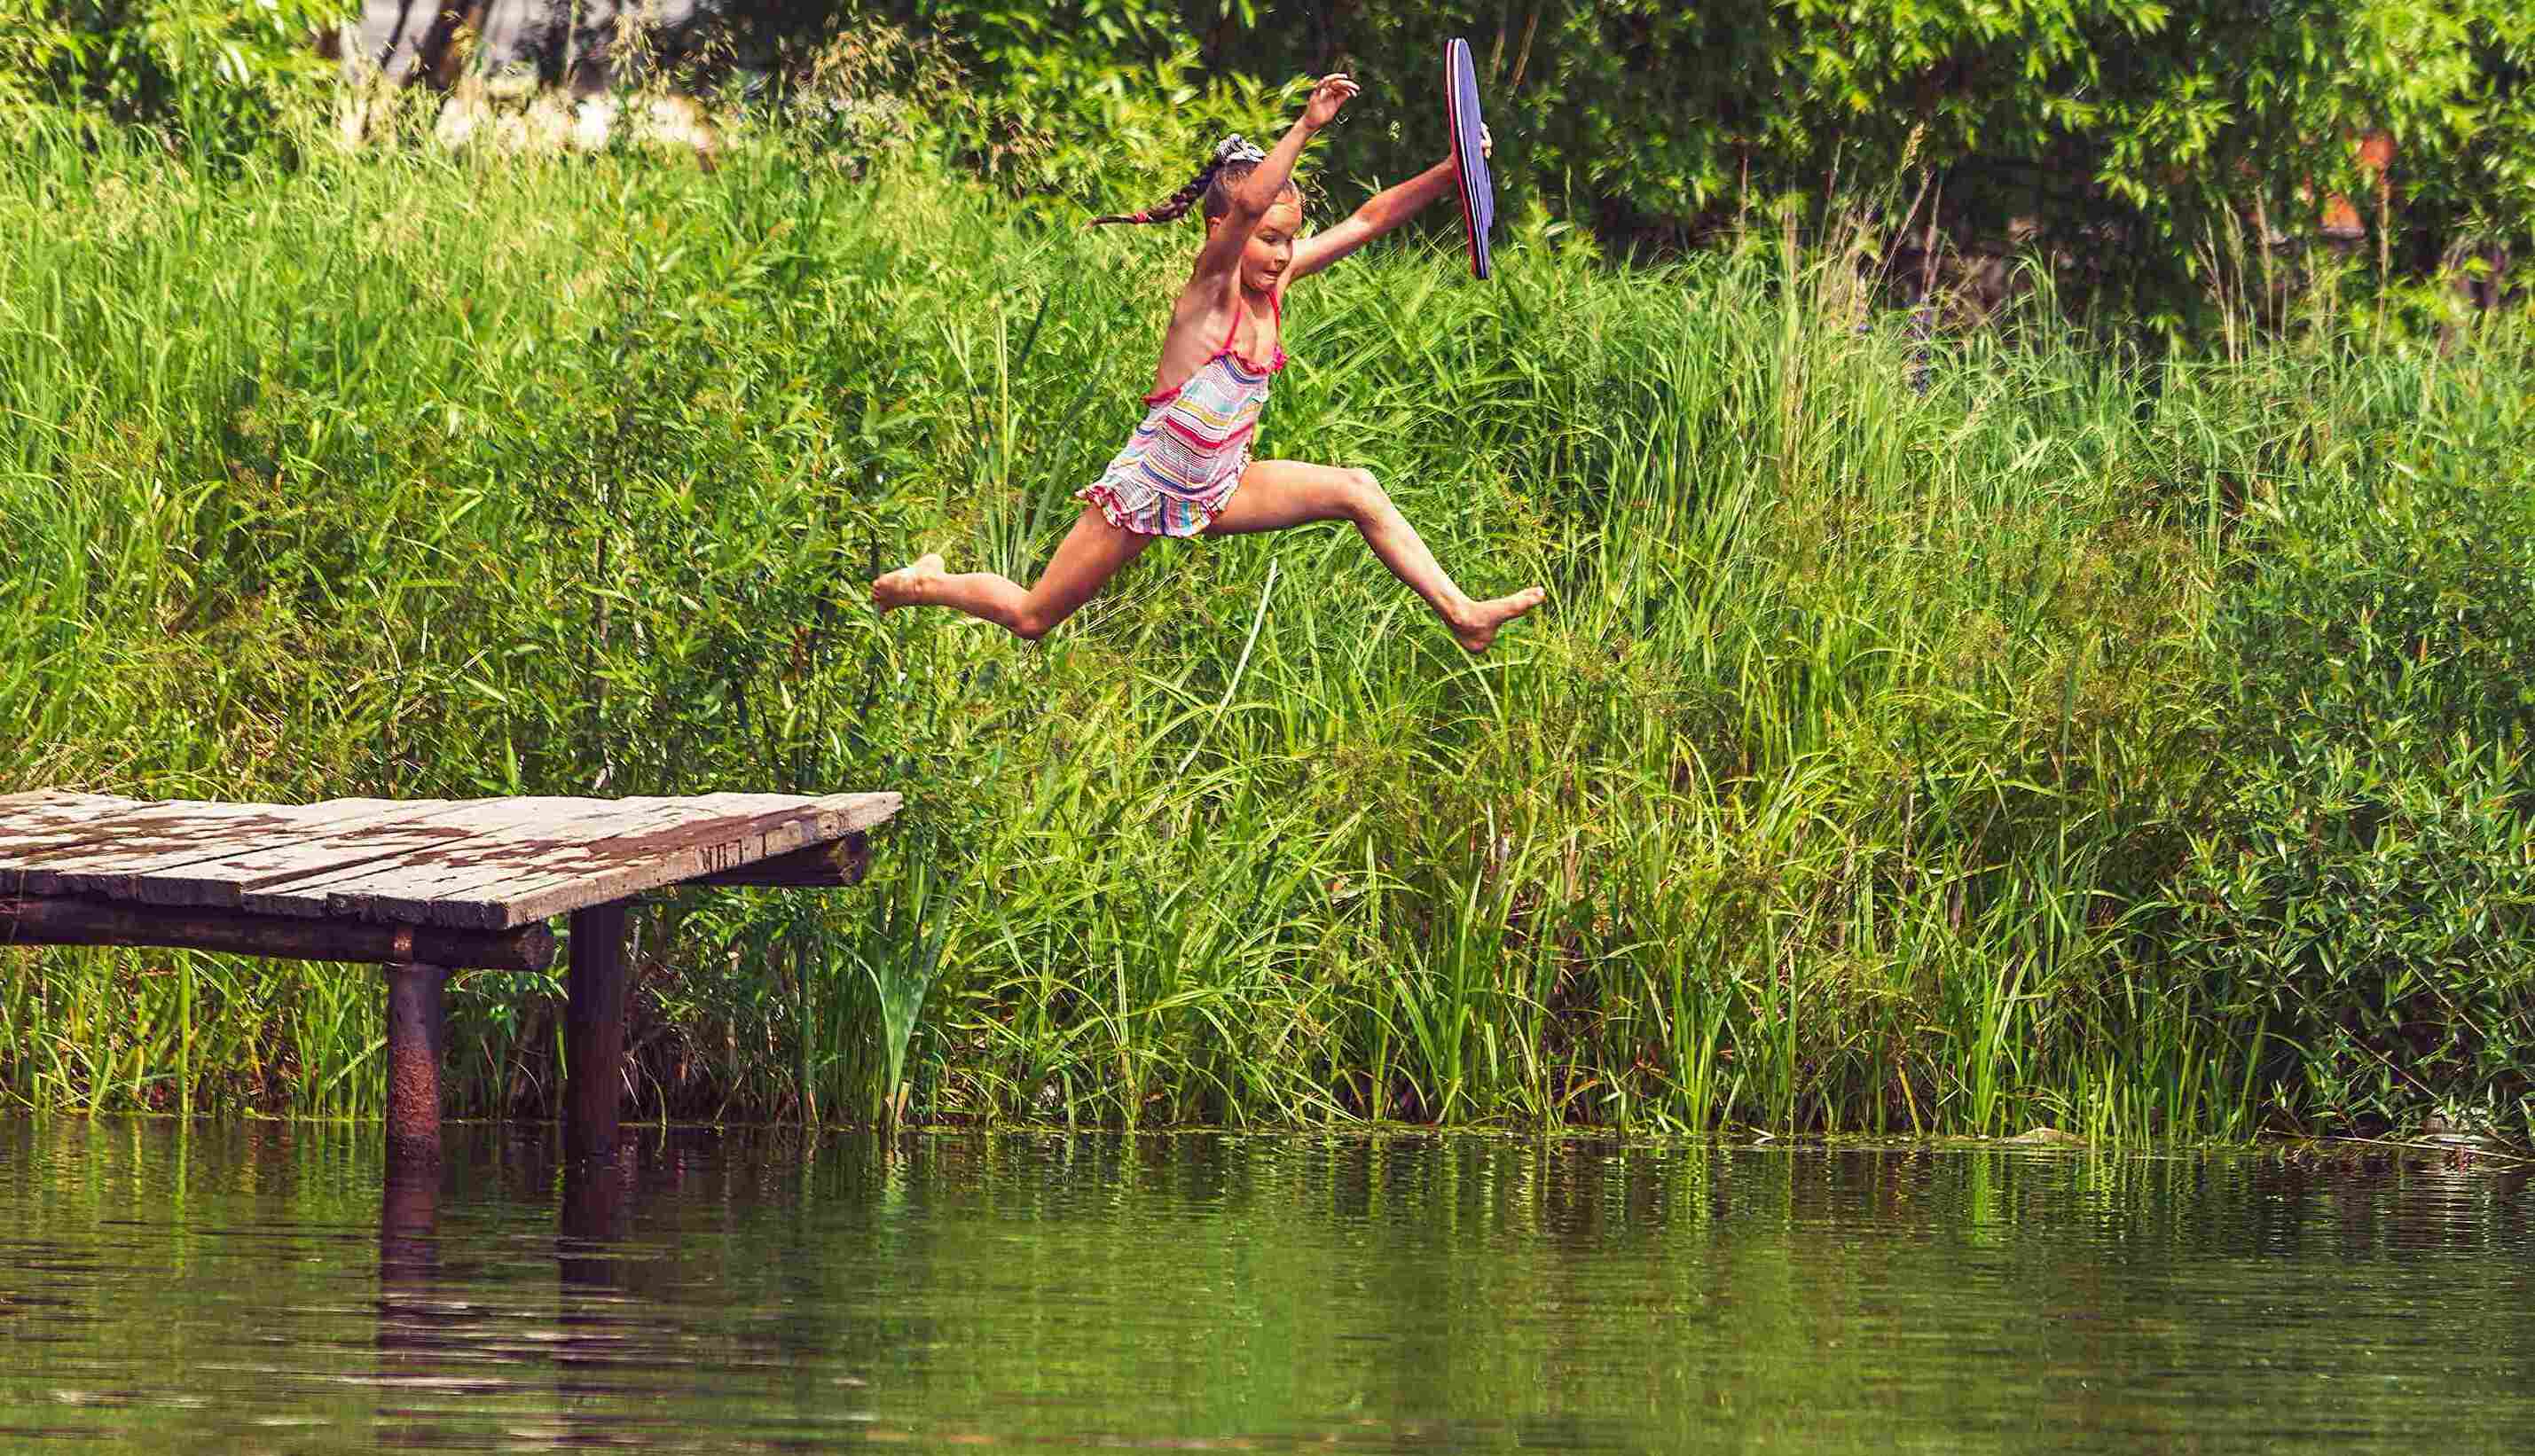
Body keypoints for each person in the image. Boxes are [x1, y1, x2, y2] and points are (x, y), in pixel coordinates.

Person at [872, 74, 1545, 654]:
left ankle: (1463, 613)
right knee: (1031, 616)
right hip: (1148, 490)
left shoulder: (1275, 285)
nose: (1282, 254)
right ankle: (925, 582)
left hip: (1221, 485)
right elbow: (1252, 203)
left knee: (1358, 489)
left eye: (1290, 240)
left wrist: (1454, 170)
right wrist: (1306, 128)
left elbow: (1369, 219)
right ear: (1221, 235)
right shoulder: (1209, 291)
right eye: (1268, 241)